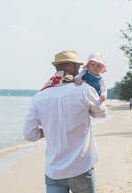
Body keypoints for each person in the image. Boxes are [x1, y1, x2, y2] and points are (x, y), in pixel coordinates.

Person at [23, 50, 107, 193]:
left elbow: (29, 134)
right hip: (81, 166)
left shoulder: (39, 96)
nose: (80, 70)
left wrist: (49, 129)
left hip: (54, 170)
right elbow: (102, 113)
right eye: (77, 66)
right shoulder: (84, 90)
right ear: (70, 66)